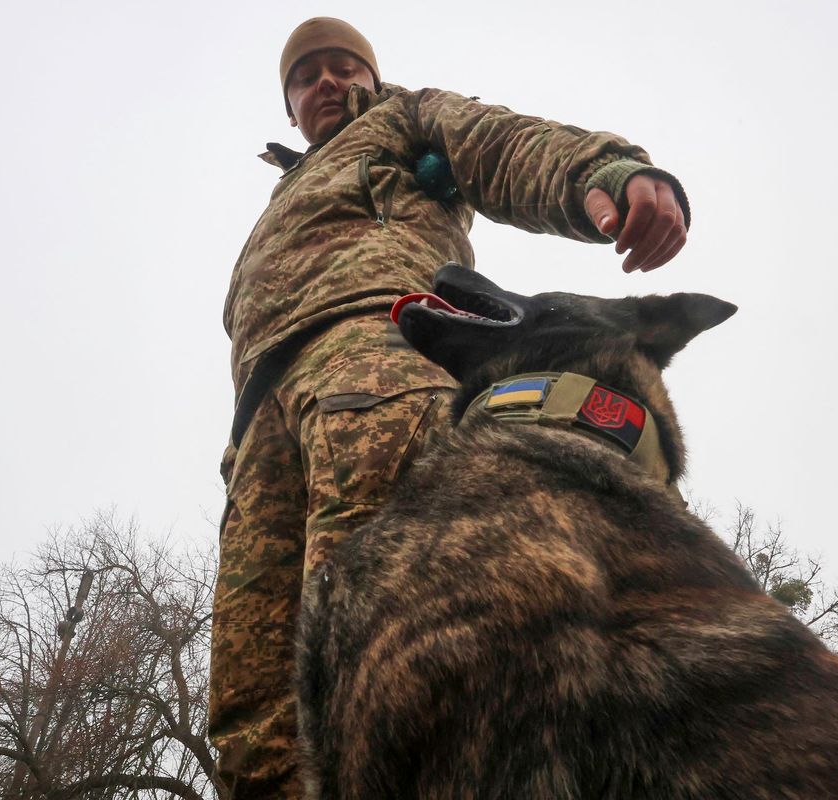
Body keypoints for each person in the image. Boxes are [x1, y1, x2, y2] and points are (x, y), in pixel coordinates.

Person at [209, 17, 691, 798]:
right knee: (252, 707)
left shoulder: (404, 123)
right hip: (260, 419)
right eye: (306, 76)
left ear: (370, 77)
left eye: (342, 67)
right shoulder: (286, 192)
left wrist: (609, 173)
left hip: (376, 357)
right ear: (289, 104)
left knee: (396, 637)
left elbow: (499, 144)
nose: (326, 83)